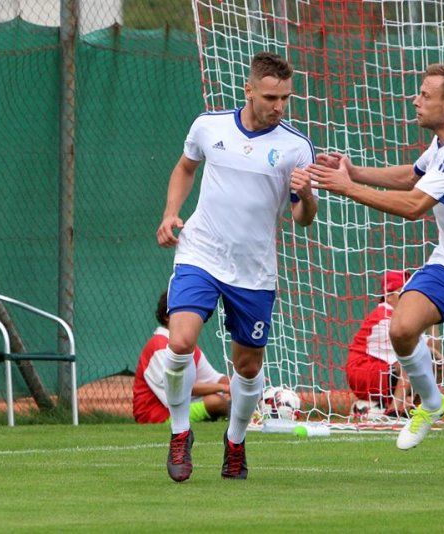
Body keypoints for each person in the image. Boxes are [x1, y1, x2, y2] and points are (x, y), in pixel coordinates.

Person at [301, 63, 444, 486]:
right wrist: (354, 171)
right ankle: (430, 401)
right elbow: (412, 176)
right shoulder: (442, 143)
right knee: (402, 327)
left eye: (425, 94)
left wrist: (346, 187)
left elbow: (414, 205)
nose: (415, 100)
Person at [156, 51, 318, 482]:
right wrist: (170, 214)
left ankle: (235, 440)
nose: (279, 106)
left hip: (253, 270)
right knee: (179, 343)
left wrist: (307, 195)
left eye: (285, 98)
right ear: (249, 90)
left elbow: (303, 218)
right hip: (200, 254)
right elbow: (185, 168)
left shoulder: (296, 147)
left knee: (247, 367)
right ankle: (179, 433)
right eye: (270, 97)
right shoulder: (209, 126)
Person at [346, 270, 442, 417]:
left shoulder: (402, 317)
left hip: (383, 372)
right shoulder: (384, 316)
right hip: (364, 373)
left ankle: (420, 410)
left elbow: (433, 348)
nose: (411, 298)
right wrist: (431, 352)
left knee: (437, 364)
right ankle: (394, 410)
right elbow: (419, 349)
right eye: (405, 292)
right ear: (389, 296)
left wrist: (431, 311)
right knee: (412, 357)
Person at [133, 292, 230, 425]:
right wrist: (223, 388)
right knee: (216, 402)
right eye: (185, 312)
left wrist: (240, 384)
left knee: (230, 397)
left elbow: (214, 378)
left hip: (180, 407)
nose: (191, 317)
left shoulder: (190, 347)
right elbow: (177, 390)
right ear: (167, 317)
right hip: (156, 416)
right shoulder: (158, 346)